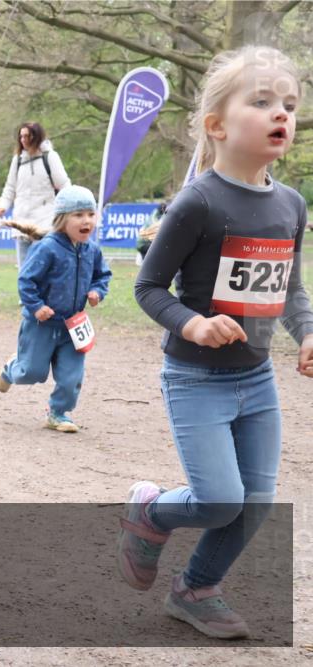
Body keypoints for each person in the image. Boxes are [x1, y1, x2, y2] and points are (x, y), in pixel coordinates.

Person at [120, 46, 313, 640]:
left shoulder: (291, 204)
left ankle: (197, 590)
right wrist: (193, 324)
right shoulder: (197, 201)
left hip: (257, 380)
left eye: (289, 103)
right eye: (262, 102)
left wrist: (306, 332)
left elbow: (289, 288)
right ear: (217, 125)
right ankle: (150, 511)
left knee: (254, 504)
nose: (281, 112)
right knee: (221, 499)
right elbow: (149, 287)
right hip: (195, 379)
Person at [0, 185, 111, 432]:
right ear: (62, 219)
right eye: (78, 215)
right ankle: (12, 367)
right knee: (30, 373)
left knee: (71, 377)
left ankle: (58, 412)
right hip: (41, 324)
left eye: (90, 214)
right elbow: (26, 280)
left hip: (73, 325)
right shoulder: (47, 248)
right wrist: (36, 307)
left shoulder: (93, 249)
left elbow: (103, 275)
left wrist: (97, 291)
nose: (86, 220)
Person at [0, 122, 71, 268]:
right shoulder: (17, 160)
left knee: (43, 267)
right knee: (24, 270)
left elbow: (64, 185)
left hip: (45, 221)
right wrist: (3, 204)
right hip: (21, 221)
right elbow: (10, 187)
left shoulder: (50, 157)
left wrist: (68, 210)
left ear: (36, 137)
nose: (23, 140)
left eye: (27, 136)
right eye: (21, 136)